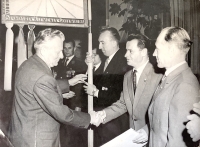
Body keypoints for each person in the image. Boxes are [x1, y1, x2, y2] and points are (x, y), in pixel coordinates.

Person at [8, 28, 102, 147]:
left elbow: (39, 86)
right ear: (43, 50)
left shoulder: (29, 65)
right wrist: (90, 118)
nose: (62, 55)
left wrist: (69, 82)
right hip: (37, 141)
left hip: (25, 133)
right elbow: (62, 114)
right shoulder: (41, 76)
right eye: (58, 52)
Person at [133, 27, 200, 147]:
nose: (154, 53)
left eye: (157, 49)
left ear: (172, 51)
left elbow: (177, 143)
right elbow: (163, 122)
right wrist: (146, 131)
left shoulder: (185, 85)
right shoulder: (169, 77)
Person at [93, 34, 162, 145]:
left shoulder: (158, 76)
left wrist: (147, 130)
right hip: (133, 137)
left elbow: (161, 113)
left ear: (143, 52)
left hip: (152, 138)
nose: (125, 55)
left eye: (130, 51)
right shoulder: (128, 76)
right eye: (126, 51)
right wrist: (103, 114)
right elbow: (123, 103)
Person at [84, 27, 131, 145]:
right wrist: (89, 66)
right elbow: (95, 83)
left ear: (114, 42)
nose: (100, 47)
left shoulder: (123, 62)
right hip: (104, 120)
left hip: (115, 122)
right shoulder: (108, 61)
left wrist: (96, 92)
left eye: (102, 43)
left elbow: (119, 95)